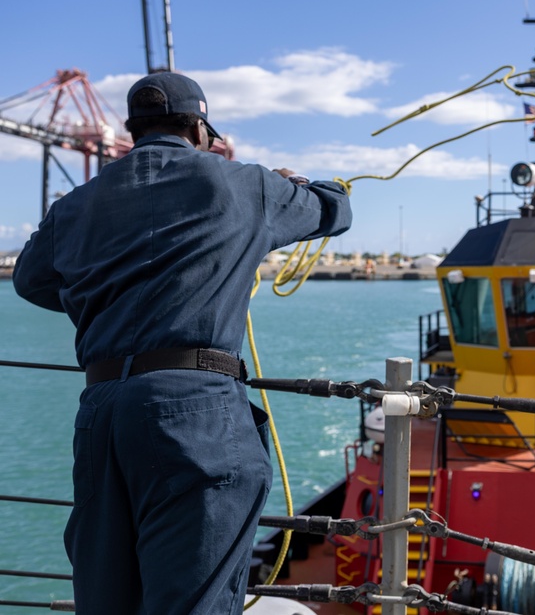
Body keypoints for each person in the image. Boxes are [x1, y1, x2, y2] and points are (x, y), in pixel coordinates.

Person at [12, 72, 352, 615]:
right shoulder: (246, 184)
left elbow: (30, 279)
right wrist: (304, 182)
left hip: (101, 414)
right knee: (195, 599)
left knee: (106, 600)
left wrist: (106, 305)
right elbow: (335, 211)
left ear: (133, 129)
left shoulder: (76, 203)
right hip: (193, 413)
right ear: (199, 128)